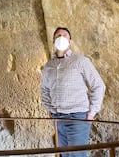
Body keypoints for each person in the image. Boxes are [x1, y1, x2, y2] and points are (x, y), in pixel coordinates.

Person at [40, 27, 106, 157]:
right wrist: (49, 110)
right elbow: (44, 89)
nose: (61, 37)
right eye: (58, 35)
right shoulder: (49, 66)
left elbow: (98, 85)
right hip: (57, 117)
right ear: (53, 40)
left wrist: (92, 112)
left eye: (65, 35)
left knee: (77, 155)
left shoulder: (80, 61)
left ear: (70, 41)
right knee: (64, 154)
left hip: (77, 117)